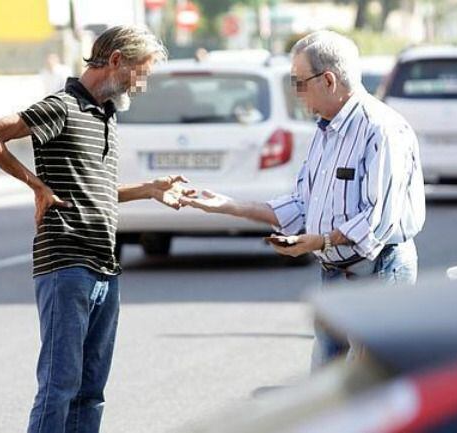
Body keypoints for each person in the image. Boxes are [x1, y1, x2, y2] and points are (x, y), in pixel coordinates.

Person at [0, 26, 195, 433]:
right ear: (116, 61)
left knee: (91, 391)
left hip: (105, 270)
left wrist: (149, 190)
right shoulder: (62, 106)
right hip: (66, 267)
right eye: (139, 73)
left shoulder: (106, 114)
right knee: (59, 387)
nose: (140, 86)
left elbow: (98, 189)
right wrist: (35, 185)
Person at [180, 30, 426, 369]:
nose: (296, 93)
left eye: (299, 82)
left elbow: (377, 219)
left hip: (380, 273)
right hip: (336, 275)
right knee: (326, 387)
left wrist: (321, 240)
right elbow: (302, 206)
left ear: (328, 80)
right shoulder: (326, 129)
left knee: (371, 390)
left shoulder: (380, 129)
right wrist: (226, 205)